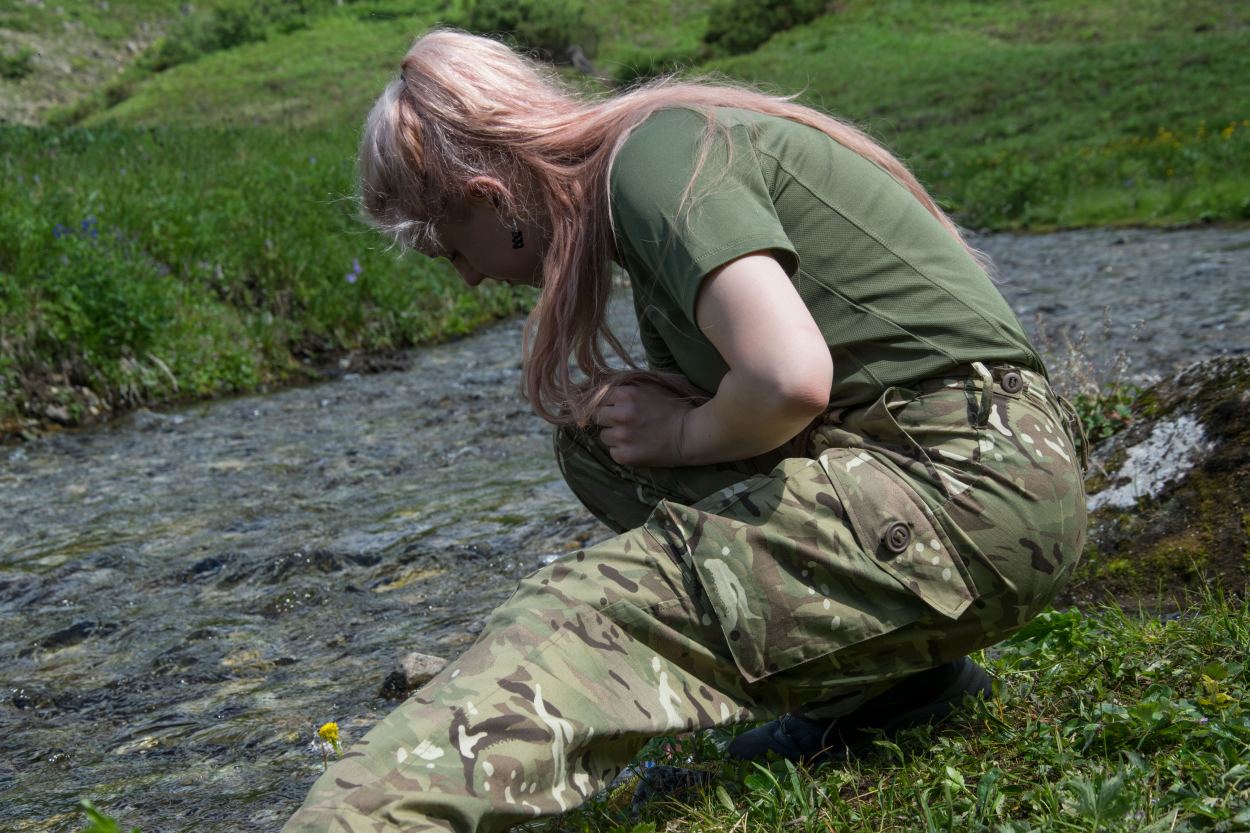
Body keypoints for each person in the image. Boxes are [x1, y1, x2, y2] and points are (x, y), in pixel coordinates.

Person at [283, 28, 1086, 833]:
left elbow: (787, 376)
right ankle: (896, 693)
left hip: (971, 486)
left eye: (450, 249)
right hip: (969, 476)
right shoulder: (651, 163)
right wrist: (672, 432)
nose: (467, 277)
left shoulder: (655, 158)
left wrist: (680, 438)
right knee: (601, 443)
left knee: (583, 615)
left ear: (493, 196)